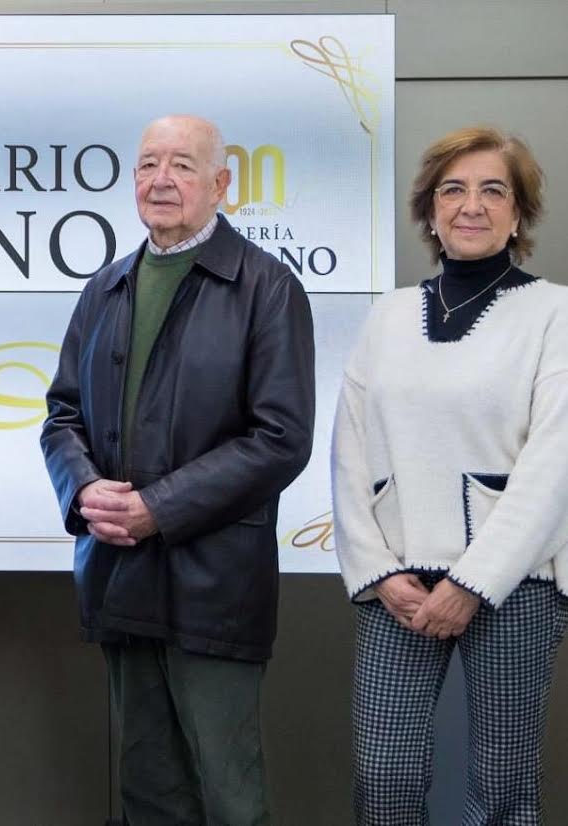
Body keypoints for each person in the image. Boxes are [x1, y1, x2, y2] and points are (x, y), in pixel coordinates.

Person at [41, 114, 315, 824]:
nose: (161, 179)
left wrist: (158, 506)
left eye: (183, 165)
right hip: (118, 575)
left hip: (215, 585)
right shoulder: (105, 287)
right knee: (147, 793)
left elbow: (281, 437)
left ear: (222, 184)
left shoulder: (267, 287)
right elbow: (61, 415)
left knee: (228, 794)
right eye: (148, 164)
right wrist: (85, 488)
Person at [333, 126, 568, 824]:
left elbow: (554, 463)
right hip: (398, 589)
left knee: (500, 791)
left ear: (518, 213)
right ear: (430, 211)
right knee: (384, 779)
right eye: (453, 189)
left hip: (513, 587)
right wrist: (376, 573)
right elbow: (349, 452)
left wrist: (473, 584)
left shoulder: (556, 312)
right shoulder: (388, 315)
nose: (471, 205)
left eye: (493, 189)